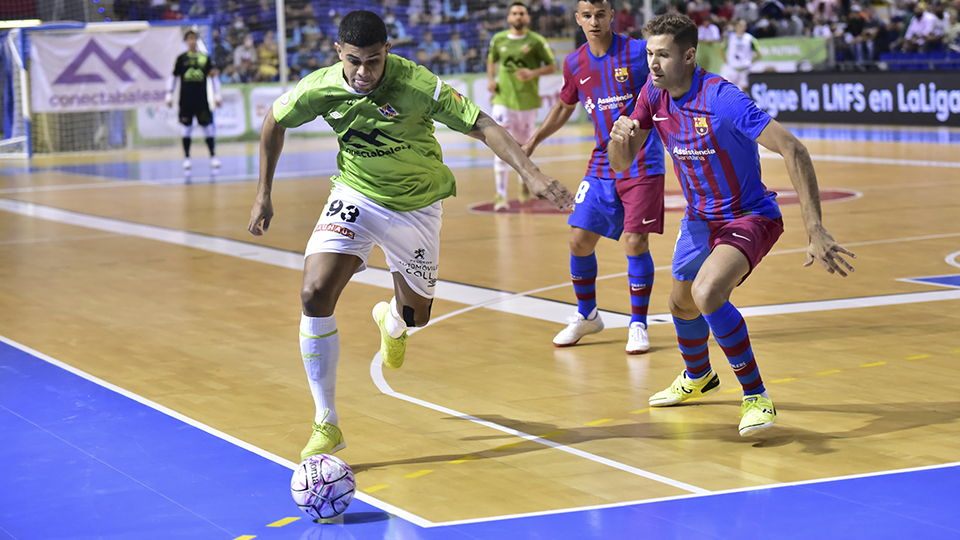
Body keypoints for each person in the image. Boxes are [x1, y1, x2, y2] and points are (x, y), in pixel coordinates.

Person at [246, 10, 574, 460]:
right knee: (314, 292)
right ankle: (326, 422)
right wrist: (263, 193)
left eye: (374, 61)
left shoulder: (417, 84)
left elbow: (481, 123)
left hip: (417, 207)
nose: (364, 72)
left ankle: (393, 322)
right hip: (356, 196)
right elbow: (273, 121)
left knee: (416, 316)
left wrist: (532, 175)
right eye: (355, 61)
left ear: (388, 52)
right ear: (338, 53)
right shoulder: (320, 87)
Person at [608, 13, 856, 437]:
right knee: (680, 304)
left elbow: (793, 149)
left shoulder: (722, 99)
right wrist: (620, 139)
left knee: (707, 294)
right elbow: (621, 165)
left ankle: (756, 396)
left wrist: (815, 228)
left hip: (749, 215)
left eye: (663, 55)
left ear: (689, 55)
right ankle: (699, 376)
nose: (652, 64)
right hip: (699, 220)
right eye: (649, 54)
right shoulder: (653, 93)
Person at [522, 0, 665, 354]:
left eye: (600, 14)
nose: (594, 21)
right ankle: (588, 316)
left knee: (635, 242)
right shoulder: (575, 62)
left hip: (642, 159)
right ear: (578, 19)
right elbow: (563, 106)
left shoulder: (637, 52)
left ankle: (638, 323)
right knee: (579, 240)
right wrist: (533, 141)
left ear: (612, 15)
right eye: (587, 15)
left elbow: (669, 87)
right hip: (602, 161)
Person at [487, 1, 557, 211]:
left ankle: (524, 184)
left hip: (527, 102)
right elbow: (492, 60)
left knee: (523, 147)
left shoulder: (536, 41)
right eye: (514, 13)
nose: (518, 16)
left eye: (522, 13)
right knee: (499, 146)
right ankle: (500, 195)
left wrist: (532, 73)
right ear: (509, 18)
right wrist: (491, 79)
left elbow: (553, 66)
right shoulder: (498, 40)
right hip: (503, 101)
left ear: (527, 18)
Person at [165, 28, 221, 170]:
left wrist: (217, 94)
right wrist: (169, 94)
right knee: (186, 129)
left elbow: (214, 77)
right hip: (186, 100)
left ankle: (213, 156)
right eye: (189, 38)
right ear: (186, 41)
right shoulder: (181, 58)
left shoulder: (205, 58)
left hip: (201, 100)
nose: (192, 41)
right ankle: (187, 158)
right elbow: (173, 77)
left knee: (207, 128)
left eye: (194, 38)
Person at [720, 18, 760, 92]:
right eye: (740, 25)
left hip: (744, 68)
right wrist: (727, 62)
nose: (742, 27)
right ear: (736, 26)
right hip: (732, 68)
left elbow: (759, 53)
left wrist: (751, 62)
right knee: (729, 89)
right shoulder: (730, 37)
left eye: (744, 25)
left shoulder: (749, 38)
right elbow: (721, 51)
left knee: (744, 90)